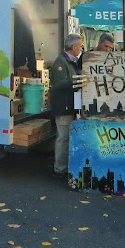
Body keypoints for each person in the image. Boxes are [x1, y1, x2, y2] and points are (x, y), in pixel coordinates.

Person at [51, 33, 83, 179]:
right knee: (63, 138)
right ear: (74, 46)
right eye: (80, 46)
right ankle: (60, 168)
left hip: (69, 105)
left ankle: (64, 166)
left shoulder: (72, 61)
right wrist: (76, 81)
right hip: (62, 106)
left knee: (66, 137)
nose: (81, 48)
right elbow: (59, 84)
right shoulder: (60, 61)